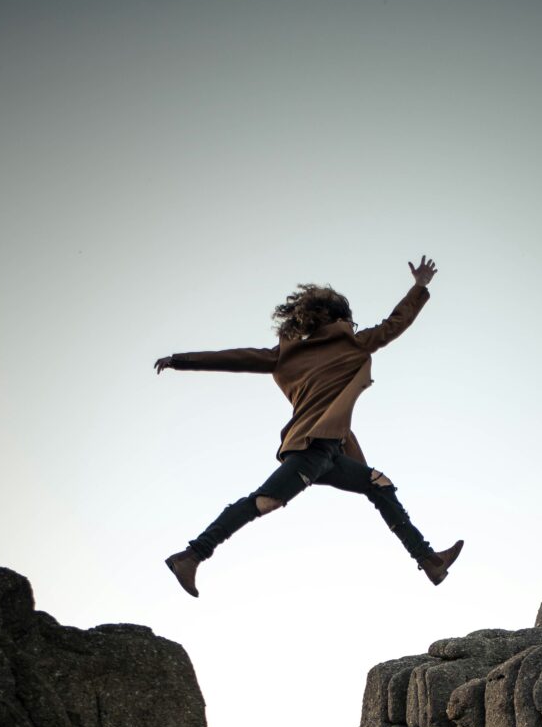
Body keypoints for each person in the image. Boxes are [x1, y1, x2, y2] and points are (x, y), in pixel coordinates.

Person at [154, 255, 463, 597]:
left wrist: (180, 360)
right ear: (338, 318)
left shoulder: (288, 354)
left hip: (331, 451)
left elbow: (234, 357)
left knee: (379, 485)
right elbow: (395, 323)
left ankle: (429, 561)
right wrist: (419, 287)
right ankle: (192, 555)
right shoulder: (349, 344)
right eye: (348, 317)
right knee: (265, 501)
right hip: (311, 448)